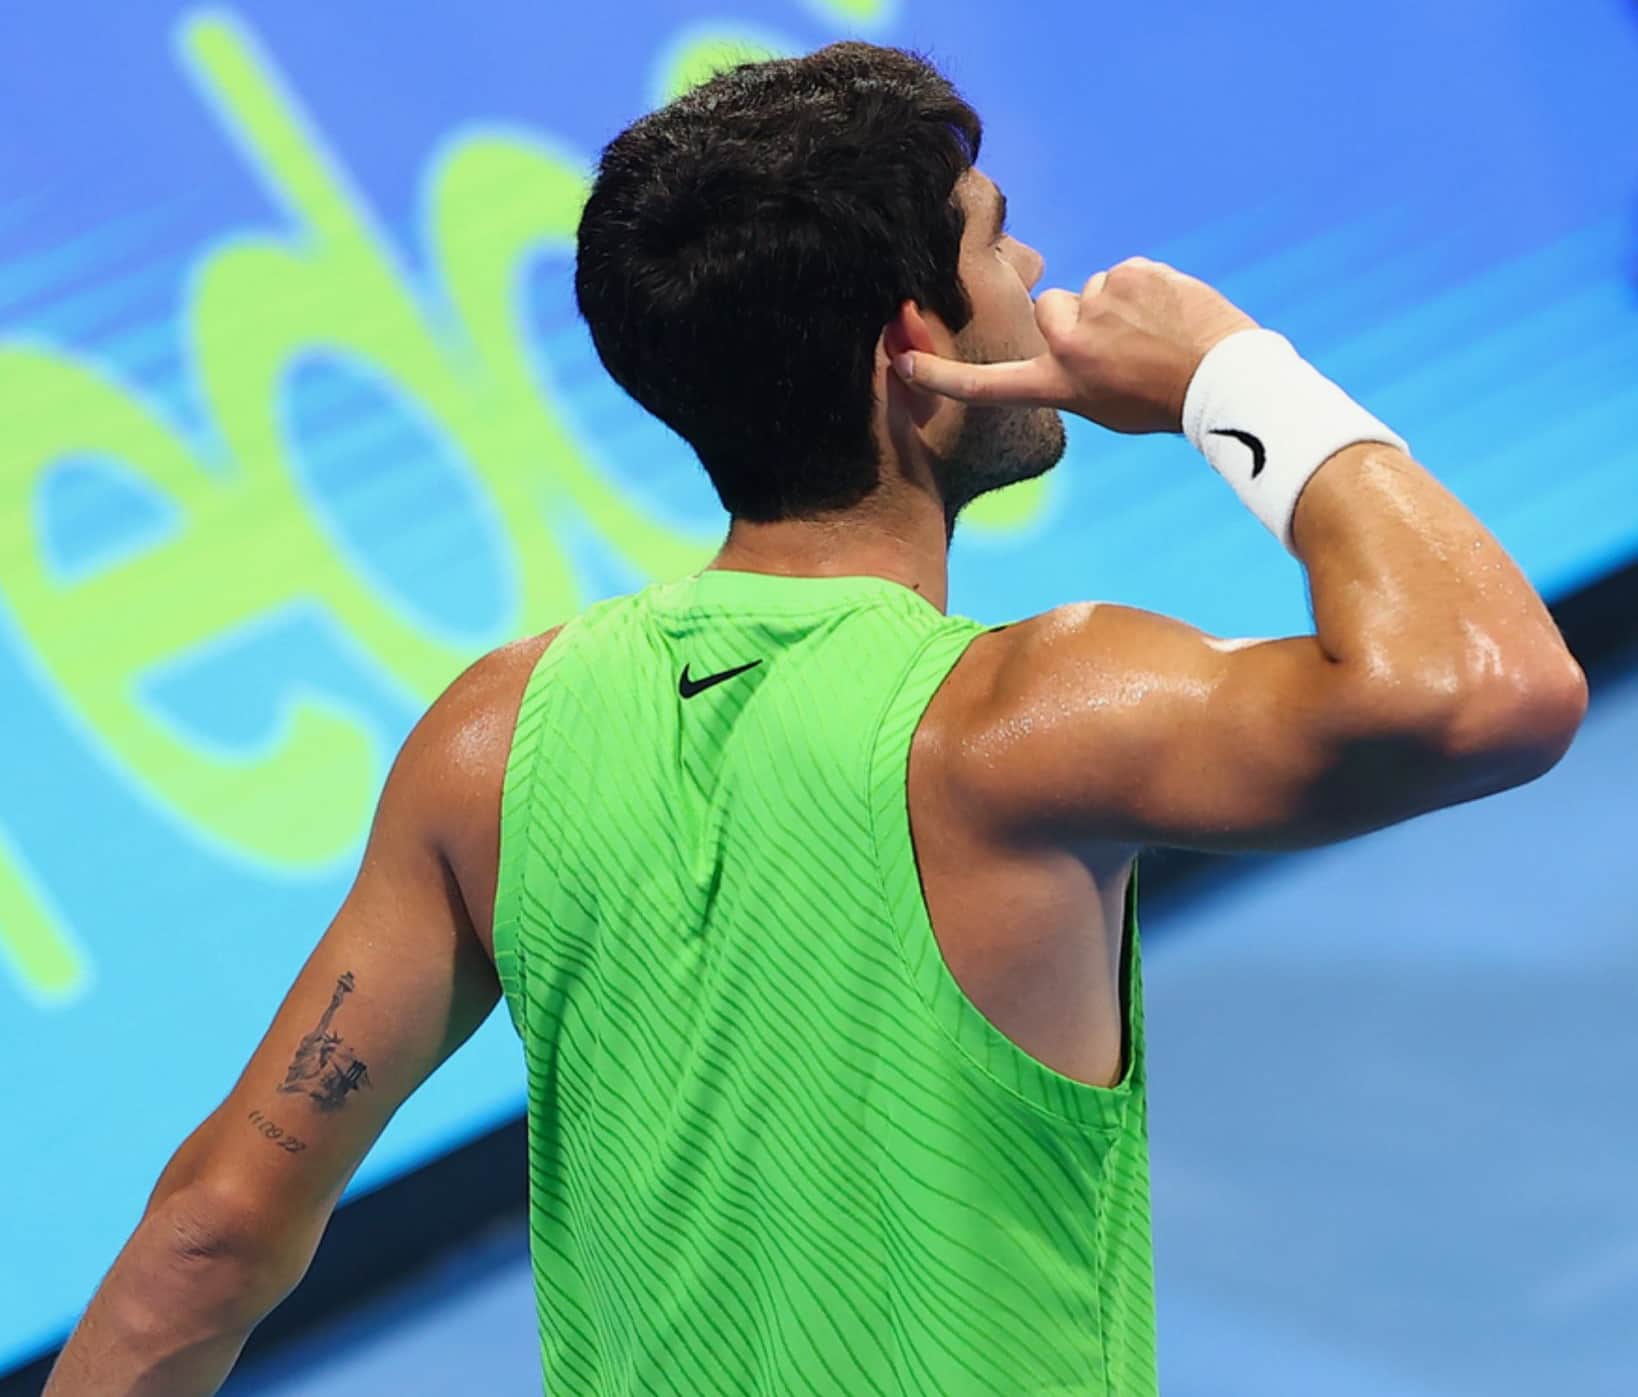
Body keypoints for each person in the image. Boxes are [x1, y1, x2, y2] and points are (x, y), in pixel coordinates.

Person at [45, 40, 1587, 1397]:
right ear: (913, 341)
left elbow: (213, 1231)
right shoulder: (1027, 713)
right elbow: (1489, 687)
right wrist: (1234, 377)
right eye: (994, 241)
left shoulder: (487, 738)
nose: (1038, 266)